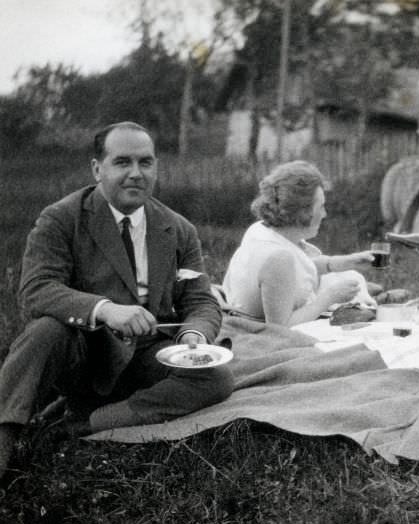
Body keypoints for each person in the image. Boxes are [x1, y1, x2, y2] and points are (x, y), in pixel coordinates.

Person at [0, 121, 235, 480]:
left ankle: (86, 424)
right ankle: (6, 434)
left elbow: (200, 300)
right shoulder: (61, 219)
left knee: (215, 378)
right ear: (98, 168)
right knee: (44, 332)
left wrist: (195, 338)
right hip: (82, 350)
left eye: (146, 163)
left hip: (144, 355)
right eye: (122, 162)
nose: (136, 174)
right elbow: (37, 289)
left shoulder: (178, 229)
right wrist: (106, 310)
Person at [222, 160, 374, 327]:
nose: (324, 214)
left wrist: (348, 262)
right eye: (321, 206)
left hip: (244, 313)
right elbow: (281, 327)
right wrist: (329, 297)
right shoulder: (278, 258)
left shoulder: (262, 231)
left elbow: (299, 268)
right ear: (303, 212)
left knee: (351, 278)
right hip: (264, 331)